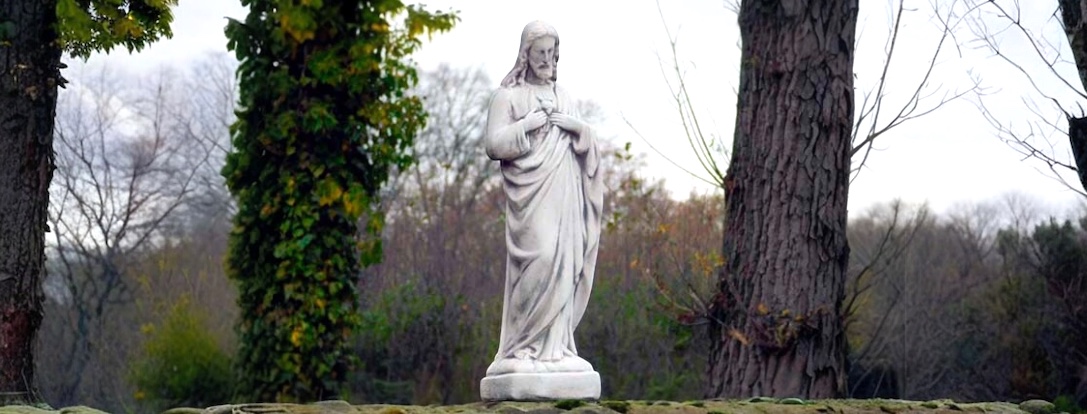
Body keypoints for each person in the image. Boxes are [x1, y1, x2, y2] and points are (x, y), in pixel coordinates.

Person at [483, 20, 603, 377]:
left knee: (565, 261)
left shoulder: (563, 95)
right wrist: (528, 125)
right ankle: (521, 346)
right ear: (526, 54)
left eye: (552, 53)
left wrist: (578, 128)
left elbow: (584, 141)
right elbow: (494, 144)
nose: (547, 59)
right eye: (540, 53)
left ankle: (556, 347)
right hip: (530, 196)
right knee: (542, 255)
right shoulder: (507, 97)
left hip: (563, 188)